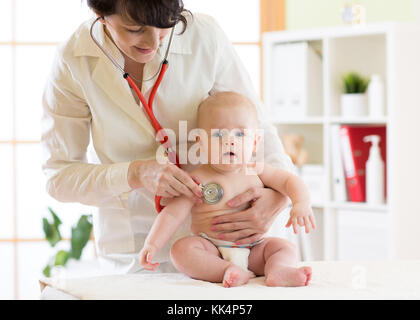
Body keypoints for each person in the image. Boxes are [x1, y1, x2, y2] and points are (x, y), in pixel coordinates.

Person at [41, 0, 295, 274]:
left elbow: (258, 129)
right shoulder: (73, 60)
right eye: (134, 28)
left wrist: (278, 196)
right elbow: (59, 177)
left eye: (166, 25)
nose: (153, 41)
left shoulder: (205, 36)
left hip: (241, 233)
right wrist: (133, 174)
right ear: (100, 15)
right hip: (136, 243)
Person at [139, 92, 316, 287]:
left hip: (255, 248)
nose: (230, 141)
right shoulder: (197, 179)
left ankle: (278, 270)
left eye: (240, 134)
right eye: (218, 134)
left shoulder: (256, 169)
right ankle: (226, 271)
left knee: (283, 247)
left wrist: (301, 203)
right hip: (212, 248)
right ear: (199, 142)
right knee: (181, 250)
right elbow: (172, 215)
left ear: (255, 142)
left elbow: (290, 181)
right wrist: (152, 244)